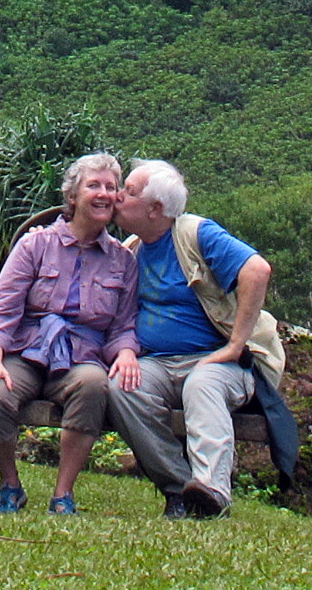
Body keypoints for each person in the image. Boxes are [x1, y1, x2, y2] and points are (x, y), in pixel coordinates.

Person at [108, 158, 281, 518]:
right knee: (122, 388)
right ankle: (181, 490)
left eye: (130, 191)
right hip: (159, 363)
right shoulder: (134, 247)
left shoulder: (195, 234)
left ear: (155, 209)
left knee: (202, 384)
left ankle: (213, 490)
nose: (119, 196)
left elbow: (257, 270)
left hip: (217, 361)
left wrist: (235, 346)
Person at [0, 153, 140, 513]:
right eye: (93, 185)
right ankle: (10, 485)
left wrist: (126, 352)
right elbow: (2, 307)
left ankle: (63, 494)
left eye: (110, 187)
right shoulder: (35, 245)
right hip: (26, 351)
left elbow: (123, 325)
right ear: (73, 196)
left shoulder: (123, 261)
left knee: (93, 385)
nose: (103, 194)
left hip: (82, 356)